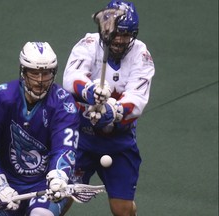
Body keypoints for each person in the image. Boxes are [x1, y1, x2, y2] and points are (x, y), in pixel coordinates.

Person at [63, 1, 155, 215]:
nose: (120, 40)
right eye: (117, 33)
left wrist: (114, 111)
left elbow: (137, 99)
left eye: (127, 35)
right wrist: (91, 90)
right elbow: (70, 78)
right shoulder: (88, 44)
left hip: (118, 142)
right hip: (80, 139)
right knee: (62, 197)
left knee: (122, 210)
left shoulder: (142, 56)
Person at [0, 41, 80, 216]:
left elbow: (64, 147)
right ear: (23, 72)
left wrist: (58, 177)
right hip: (8, 184)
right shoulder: (2, 98)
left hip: (46, 184)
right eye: (34, 73)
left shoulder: (63, 103)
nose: (40, 80)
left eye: (46, 73)